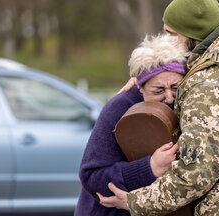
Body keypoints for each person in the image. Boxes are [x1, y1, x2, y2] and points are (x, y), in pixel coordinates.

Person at [98, 0, 219, 215]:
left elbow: (195, 176)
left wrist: (135, 202)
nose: (167, 41)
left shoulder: (209, 85)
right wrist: (143, 78)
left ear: (192, 35)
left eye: (171, 34)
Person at [75, 33, 189, 216]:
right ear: (139, 86)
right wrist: (149, 168)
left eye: (175, 87)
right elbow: (91, 176)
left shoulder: (190, 103)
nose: (169, 97)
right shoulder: (119, 108)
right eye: (158, 90)